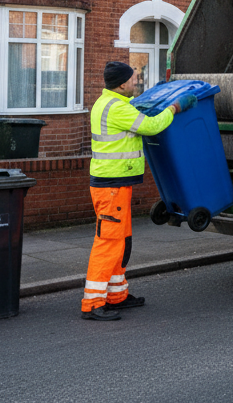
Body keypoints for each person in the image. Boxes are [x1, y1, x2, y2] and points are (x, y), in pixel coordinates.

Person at [81, 61, 195, 321]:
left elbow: (135, 112)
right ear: (122, 84)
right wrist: (174, 107)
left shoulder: (109, 102)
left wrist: (156, 94)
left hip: (116, 184)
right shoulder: (118, 108)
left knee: (121, 242)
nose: (136, 83)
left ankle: (117, 295)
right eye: (133, 80)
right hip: (111, 186)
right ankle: (93, 303)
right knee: (109, 243)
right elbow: (151, 126)